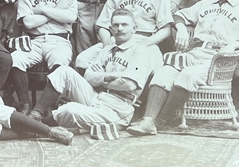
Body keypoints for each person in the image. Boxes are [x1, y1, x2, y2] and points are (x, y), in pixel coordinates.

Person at [126, 0, 239, 136]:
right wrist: (182, 29)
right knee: (163, 73)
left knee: (188, 75)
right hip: (194, 53)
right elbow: (177, 16)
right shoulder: (205, 4)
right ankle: (148, 120)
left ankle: (158, 122)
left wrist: (235, 44)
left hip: (219, 59)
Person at [28, 9, 163, 131]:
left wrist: (102, 80)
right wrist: (110, 75)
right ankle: (35, 114)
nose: (120, 29)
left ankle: (36, 127)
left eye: (124, 25)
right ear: (110, 29)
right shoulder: (107, 49)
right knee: (64, 71)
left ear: (134, 29)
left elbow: (129, 85)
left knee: (69, 110)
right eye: (115, 25)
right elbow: (88, 76)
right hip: (96, 96)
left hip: (117, 108)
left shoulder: (140, 51)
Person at [5, 0, 78, 114]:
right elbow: (28, 22)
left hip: (59, 41)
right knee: (15, 59)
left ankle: (44, 108)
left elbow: (71, 17)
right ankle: (24, 104)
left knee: (59, 63)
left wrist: (42, 10)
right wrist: (57, 10)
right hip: (34, 41)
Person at [75, 0, 172, 69]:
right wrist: (107, 42)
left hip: (145, 40)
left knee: (152, 66)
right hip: (117, 40)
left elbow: (166, 29)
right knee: (82, 60)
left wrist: (144, 44)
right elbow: (102, 26)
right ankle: (102, 84)